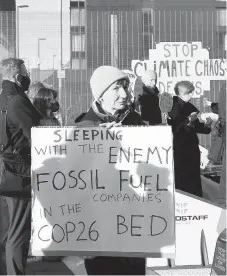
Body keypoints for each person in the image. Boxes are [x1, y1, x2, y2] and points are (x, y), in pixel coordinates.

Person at [73, 66, 146, 275]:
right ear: (100, 95)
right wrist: (81, 236)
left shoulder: (135, 121)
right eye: (116, 88)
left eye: (125, 87)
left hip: (134, 225)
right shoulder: (84, 128)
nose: (124, 94)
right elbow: (71, 187)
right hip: (98, 227)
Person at [0, 58, 41, 275]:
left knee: (6, 230)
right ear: (16, 75)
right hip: (19, 173)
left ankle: (5, 271)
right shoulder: (17, 101)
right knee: (18, 232)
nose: (27, 76)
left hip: (2, 172)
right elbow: (34, 135)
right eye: (25, 72)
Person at [167, 81, 212, 198]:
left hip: (192, 147)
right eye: (189, 93)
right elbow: (176, 128)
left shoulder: (190, 107)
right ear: (181, 93)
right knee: (182, 178)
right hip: (180, 148)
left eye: (191, 93)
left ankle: (196, 200)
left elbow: (197, 127)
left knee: (194, 177)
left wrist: (206, 126)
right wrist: (189, 122)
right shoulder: (173, 106)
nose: (191, 95)